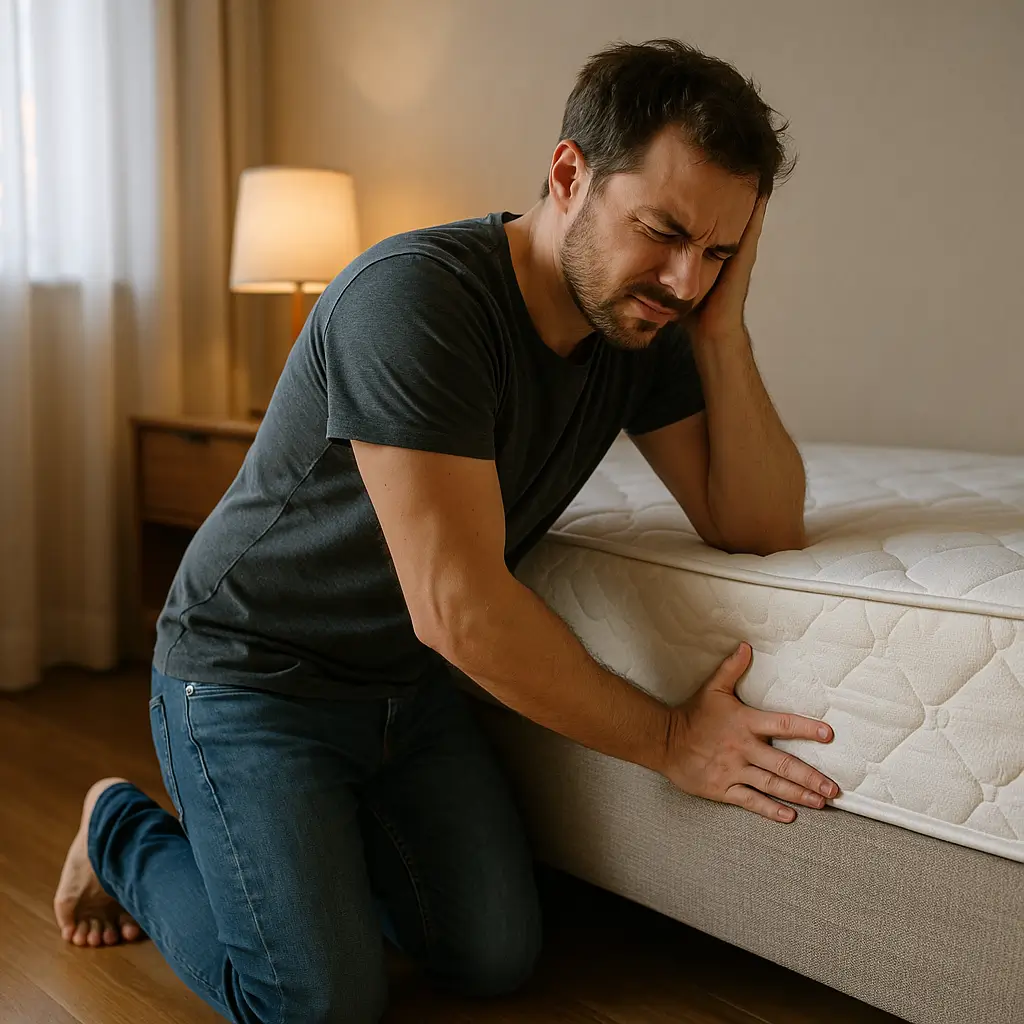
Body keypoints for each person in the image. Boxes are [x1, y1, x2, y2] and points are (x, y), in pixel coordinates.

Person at [53, 37, 840, 1024]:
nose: (685, 280)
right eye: (663, 231)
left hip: (401, 689)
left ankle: (310, 857)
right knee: (317, 1005)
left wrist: (724, 331)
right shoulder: (416, 298)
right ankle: (120, 830)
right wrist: (671, 738)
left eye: (718, 253)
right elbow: (458, 612)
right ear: (569, 176)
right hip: (253, 673)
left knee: (491, 956)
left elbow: (758, 526)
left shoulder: (644, 324)